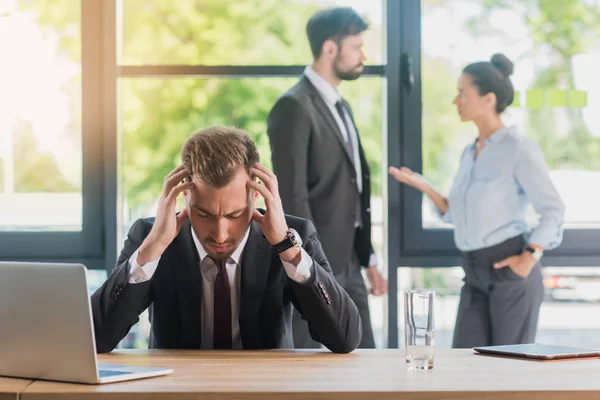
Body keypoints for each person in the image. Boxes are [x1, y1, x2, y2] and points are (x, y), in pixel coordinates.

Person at [91, 126, 362, 354]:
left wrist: (287, 248)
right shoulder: (148, 237)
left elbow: (345, 338)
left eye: (234, 215)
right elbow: (97, 338)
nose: (220, 234)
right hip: (177, 392)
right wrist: (150, 252)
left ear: (257, 195)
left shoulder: (292, 235)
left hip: (264, 393)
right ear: (184, 195)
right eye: (204, 214)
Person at [389, 54, 565, 348]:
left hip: (509, 268)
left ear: (488, 99)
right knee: (466, 365)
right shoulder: (470, 153)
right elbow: (455, 214)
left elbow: (553, 210)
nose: (456, 100)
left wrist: (529, 257)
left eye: (463, 93)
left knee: (508, 372)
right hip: (473, 272)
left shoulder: (517, 148)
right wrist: (427, 188)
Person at [267, 7, 387, 349]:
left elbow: (354, 189)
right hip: (313, 262)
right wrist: (307, 262)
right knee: (310, 366)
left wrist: (369, 259)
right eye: (356, 47)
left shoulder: (341, 106)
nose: (363, 55)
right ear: (330, 48)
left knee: (364, 358)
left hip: (350, 261)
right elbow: (292, 196)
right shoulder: (293, 106)